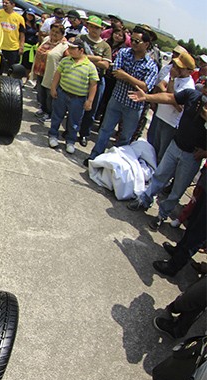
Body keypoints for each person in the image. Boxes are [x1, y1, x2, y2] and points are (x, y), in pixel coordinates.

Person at [126, 84, 207, 230]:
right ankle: (144, 200)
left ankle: (161, 215)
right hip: (175, 146)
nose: (205, 90)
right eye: (206, 86)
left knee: (177, 190)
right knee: (159, 175)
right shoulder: (192, 96)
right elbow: (170, 97)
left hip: (192, 157)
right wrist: (147, 97)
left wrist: (204, 152)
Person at [85, 26, 159, 165]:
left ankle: (114, 164)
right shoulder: (124, 53)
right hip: (117, 99)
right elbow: (116, 73)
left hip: (134, 106)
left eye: (137, 41)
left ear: (147, 44)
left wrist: (126, 76)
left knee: (125, 138)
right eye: (133, 40)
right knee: (105, 130)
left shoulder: (151, 65)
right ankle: (94, 157)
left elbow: (146, 86)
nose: (134, 44)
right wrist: (134, 80)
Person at [47, 37, 99, 154]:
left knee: (74, 122)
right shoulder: (65, 60)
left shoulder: (90, 66)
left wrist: (90, 100)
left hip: (78, 99)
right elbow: (57, 74)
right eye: (69, 47)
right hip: (62, 94)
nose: (69, 50)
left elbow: (93, 84)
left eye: (73, 48)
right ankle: (53, 135)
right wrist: (53, 88)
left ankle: (70, 141)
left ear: (81, 50)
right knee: (57, 116)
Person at [146, 51, 196, 164]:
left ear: (189, 71)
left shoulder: (188, 86)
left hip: (170, 123)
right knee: (150, 146)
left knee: (161, 153)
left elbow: (179, 106)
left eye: (180, 67)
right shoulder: (173, 74)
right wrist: (170, 96)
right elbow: (160, 85)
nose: (176, 68)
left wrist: (170, 94)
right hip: (159, 115)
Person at [76, 15, 111, 147]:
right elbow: (74, 53)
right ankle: (71, 131)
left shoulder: (105, 46)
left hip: (96, 80)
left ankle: (84, 134)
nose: (93, 29)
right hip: (79, 75)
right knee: (76, 106)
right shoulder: (81, 39)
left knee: (91, 109)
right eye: (91, 26)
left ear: (101, 29)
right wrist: (96, 58)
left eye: (96, 27)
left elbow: (106, 65)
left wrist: (85, 56)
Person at [33, 24, 68, 122]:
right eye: (53, 31)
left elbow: (66, 60)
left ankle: (49, 113)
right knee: (41, 92)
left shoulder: (64, 46)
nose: (54, 33)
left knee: (50, 95)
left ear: (62, 34)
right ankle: (43, 109)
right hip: (40, 71)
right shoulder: (47, 39)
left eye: (57, 32)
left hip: (52, 74)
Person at [0, 0, 25, 75]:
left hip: (12, 47)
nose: (4, 4)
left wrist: (21, 46)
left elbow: (22, 34)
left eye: (6, 3)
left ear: (13, 5)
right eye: (3, 2)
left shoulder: (19, 18)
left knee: (11, 69)